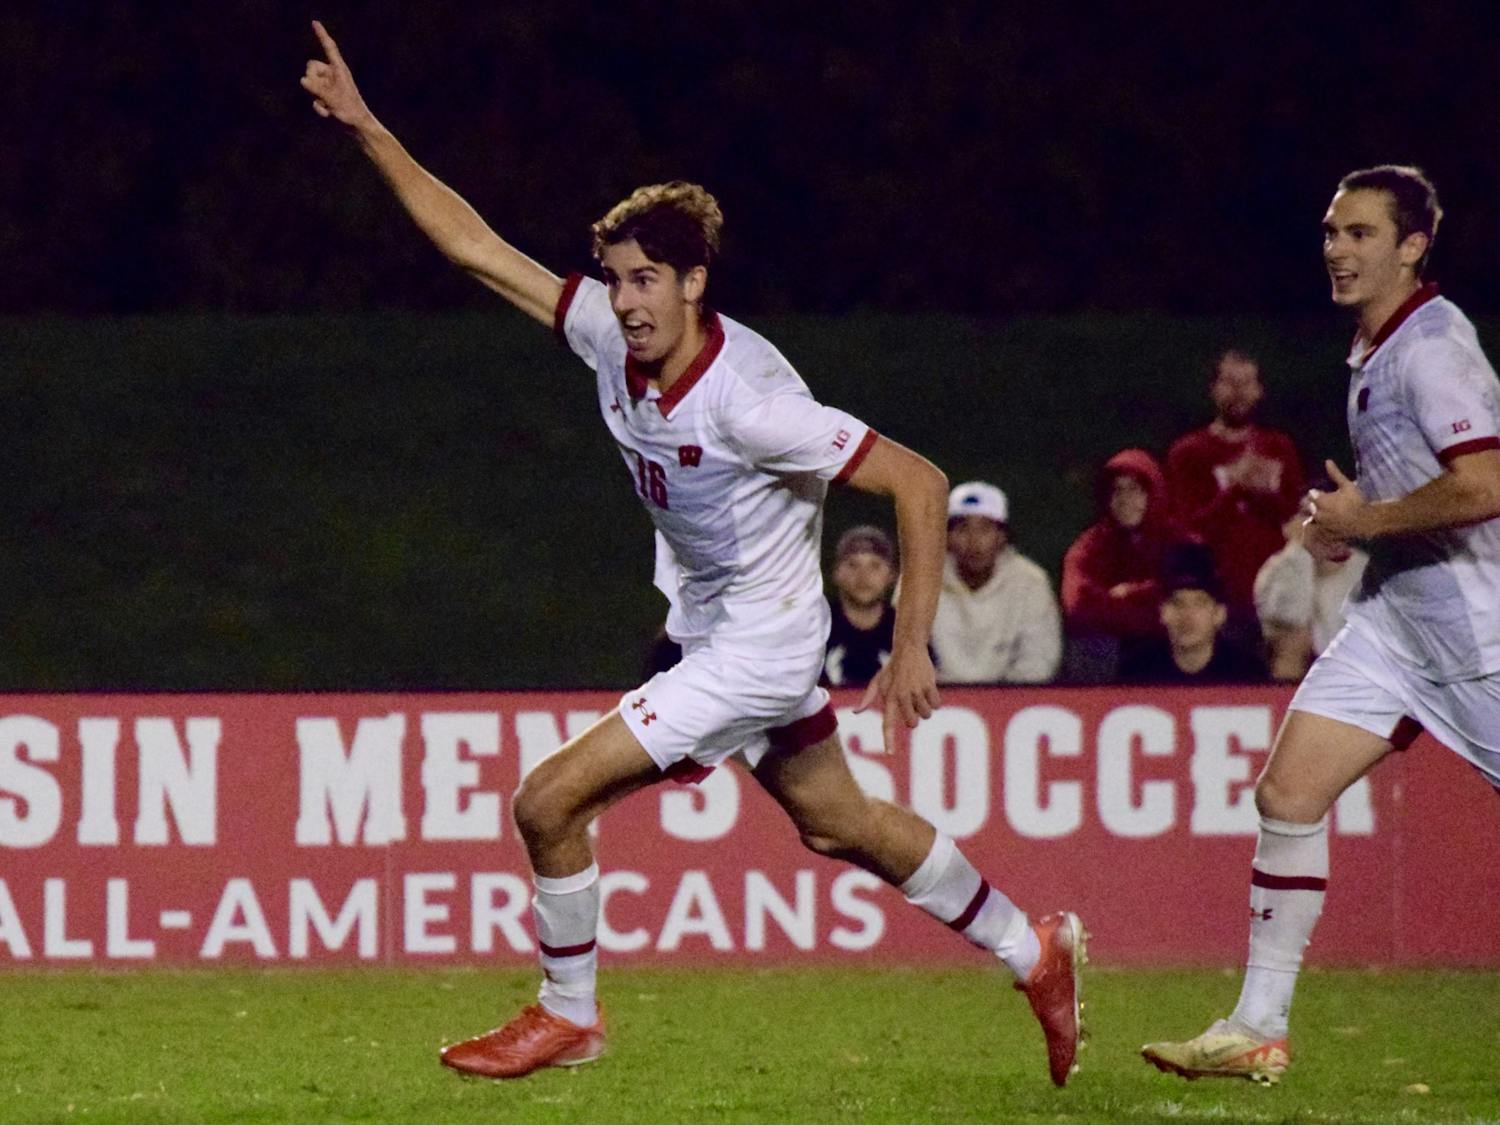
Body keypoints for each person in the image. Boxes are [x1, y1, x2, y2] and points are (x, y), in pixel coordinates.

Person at [301, 22, 1087, 1087]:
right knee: (837, 823)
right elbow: (476, 247)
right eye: (615, 279)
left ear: (695, 285)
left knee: (546, 802)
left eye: (646, 281)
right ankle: (1032, 951)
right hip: (716, 623)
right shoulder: (606, 336)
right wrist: (368, 129)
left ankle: (569, 1014)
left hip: (757, 647)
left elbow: (919, 481)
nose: (623, 301)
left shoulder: (752, 406)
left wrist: (911, 646)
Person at [1143, 164, 1500, 1084]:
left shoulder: (1433, 348)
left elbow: (1486, 486)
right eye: (1332, 232)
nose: (1337, 249)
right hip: (1395, 627)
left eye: (1361, 234)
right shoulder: (1375, 347)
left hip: (1474, 632)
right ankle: (1257, 1023)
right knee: (1288, 796)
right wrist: (1348, 523)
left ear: (1414, 246)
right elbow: (1420, 486)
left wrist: (1364, 521)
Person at [1166, 348, 1306, 647]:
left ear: (1259, 390)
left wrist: (1262, 494)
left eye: (1246, 383)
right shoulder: (1189, 452)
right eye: (1230, 383)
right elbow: (1190, 529)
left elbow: (1295, 520)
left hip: (1279, 596)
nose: (1239, 392)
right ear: (1214, 388)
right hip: (1219, 597)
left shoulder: (1278, 447)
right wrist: (1236, 488)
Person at [1060, 448, 1195, 682]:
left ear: (1154, 493)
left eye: (1135, 490)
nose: (1125, 500)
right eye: (1117, 491)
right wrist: (1152, 599)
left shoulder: (1182, 541)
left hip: (1168, 647)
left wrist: (1129, 594)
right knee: (1092, 645)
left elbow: (1188, 605)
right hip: (1113, 652)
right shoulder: (1090, 545)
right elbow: (1078, 605)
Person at [930, 481, 1062, 684]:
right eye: (963, 529)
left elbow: (1039, 659)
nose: (974, 542)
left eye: (985, 529)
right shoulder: (918, 580)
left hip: (1011, 700)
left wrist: (997, 700)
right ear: (947, 537)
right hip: (937, 702)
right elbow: (903, 651)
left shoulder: (1030, 581)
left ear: (1001, 537)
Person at [1253, 500, 1369, 682]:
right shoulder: (1276, 569)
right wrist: (1300, 552)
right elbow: (1292, 617)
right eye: (1311, 520)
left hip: (1353, 679)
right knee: (1289, 644)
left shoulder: (1367, 573)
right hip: (1289, 681)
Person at [1118, 546, 1267, 684]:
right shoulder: (1137, 674)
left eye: (1199, 603)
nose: (1187, 616)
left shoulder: (1247, 676)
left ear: (1219, 614)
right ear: (1163, 612)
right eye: (1177, 603)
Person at [823, 525, 898, 688]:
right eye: (852, 565)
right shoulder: (815, 628)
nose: (863, 576)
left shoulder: (906, 631)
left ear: (891, 575)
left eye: (875, 566)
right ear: (836, 573)